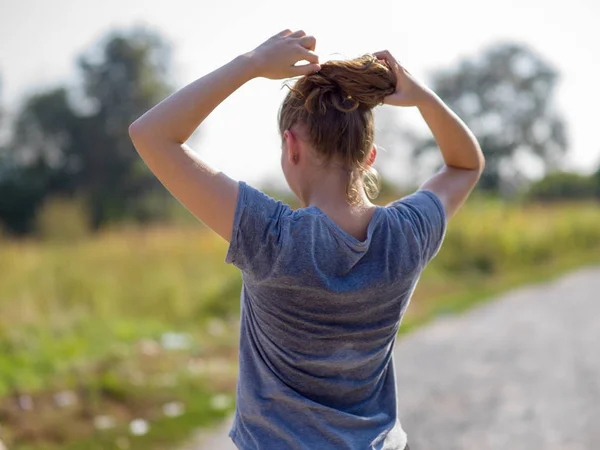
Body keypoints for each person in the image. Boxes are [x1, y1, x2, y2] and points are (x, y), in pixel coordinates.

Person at [129, 29, 484, 450]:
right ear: (369, 156)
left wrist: (252, 63)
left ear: (291, 147)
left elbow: (150, 134)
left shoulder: (270, 235)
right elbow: (466, 165)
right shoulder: (406, 233)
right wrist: (423, 97)